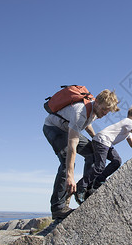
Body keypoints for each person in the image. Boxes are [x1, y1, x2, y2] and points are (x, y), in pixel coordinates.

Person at [43, 89, 119, 219]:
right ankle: (58, 208)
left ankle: (83, 189)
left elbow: (87, 123)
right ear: (98, 102)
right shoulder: (80, 111)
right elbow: (73, 144)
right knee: (66, 162)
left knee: (93, 153)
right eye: (104, 109)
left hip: (68, 129)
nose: (105, 113)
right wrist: (70, 176)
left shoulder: (94, 110)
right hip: (53, 128)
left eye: (108, 111)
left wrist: (95, 138)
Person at [78, 106, 132, 203]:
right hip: (102, 141)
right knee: (99, 166)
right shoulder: (129, 122)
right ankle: (81, 186)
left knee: (117, 161)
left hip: (107, 143)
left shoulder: (128, 129)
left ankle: (99, 181)